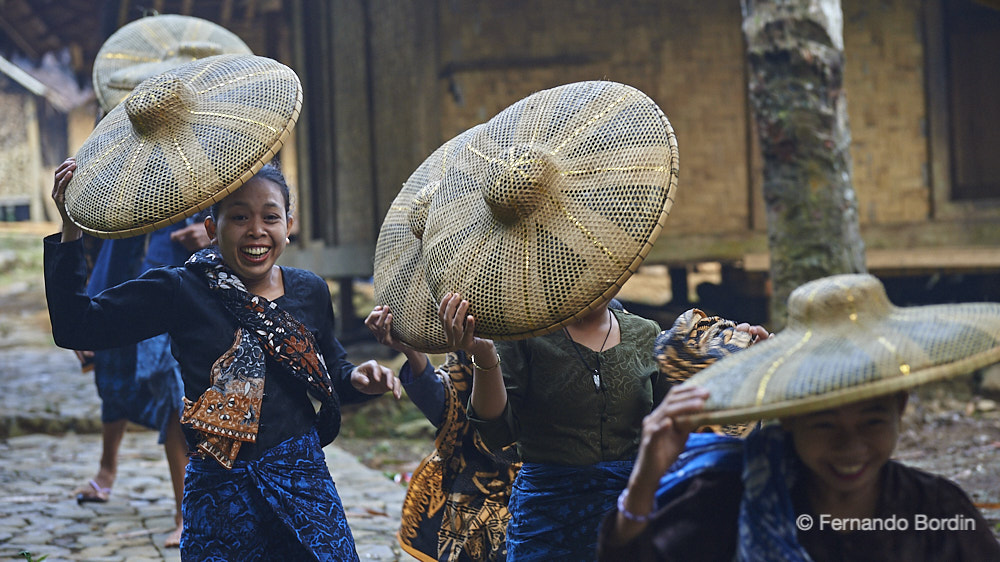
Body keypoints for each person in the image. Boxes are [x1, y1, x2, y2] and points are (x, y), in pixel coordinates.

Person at [46, 157, 401, 560]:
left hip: (302, 483)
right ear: (212, 230)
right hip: (219, 492)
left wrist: (358, 378)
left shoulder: (309, 291)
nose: (257, 231)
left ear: (289, 224)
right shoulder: (181, 290)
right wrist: (70, 225)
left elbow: (331, 372)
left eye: (270, 217)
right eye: (239, 218)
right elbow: (77, 326)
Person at [597, 388, 1000, 561]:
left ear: (900, 408)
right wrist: (644, 480)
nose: (851, 447)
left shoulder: (935, 508)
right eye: (825, 425)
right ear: (790, 418)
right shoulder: (729, 496)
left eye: (872, 422)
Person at [71, 217, 209, 549]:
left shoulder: (203, 170)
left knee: (177, 394)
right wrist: (83, 308)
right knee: (113, 377)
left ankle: (184, 516)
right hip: (121, 278)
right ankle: (107, 469)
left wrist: (211, 231)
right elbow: (93, 238)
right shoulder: (121, 175)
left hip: (182, 282)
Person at [366, 304, 521, 562]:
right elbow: (449, 408)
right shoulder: (476, 322)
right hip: (473, 487)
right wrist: (410, 349)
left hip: (545, 484)